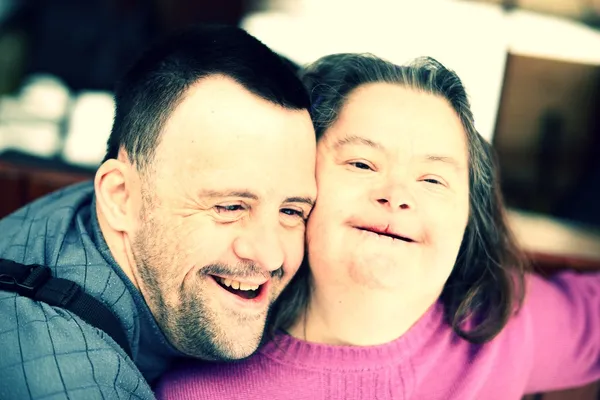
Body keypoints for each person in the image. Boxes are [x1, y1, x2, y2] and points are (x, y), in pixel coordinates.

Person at [155, 53, 600, 400]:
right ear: (296, 183)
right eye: (362, 163)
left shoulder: (505, 326)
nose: (398, 195)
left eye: (432, 179)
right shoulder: (195, 389)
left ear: (469, 218)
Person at [0, 24, 317, 399]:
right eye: (230, 206)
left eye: (292, 212)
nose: (270, 254)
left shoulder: (100, 219)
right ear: (121, 197)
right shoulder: (70, 380)